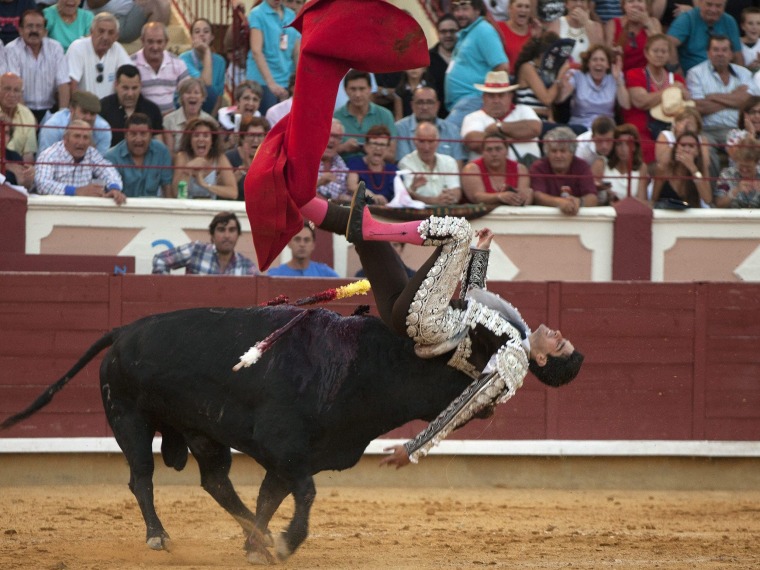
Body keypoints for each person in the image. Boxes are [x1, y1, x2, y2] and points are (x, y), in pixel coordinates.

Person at [242, 0, 583, 466]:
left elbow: (463, 405)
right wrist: (480, 260)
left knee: (457, 233)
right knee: (366, 232)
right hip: (419, 315)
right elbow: (472, 300)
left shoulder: (515, 364)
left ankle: (377, 221)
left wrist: (416, 447)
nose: (558, 333)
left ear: (545, 362)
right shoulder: (516, 335)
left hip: (428, 322)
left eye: (559, 344)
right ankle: (306, 203)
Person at [623, 34, 689, 164]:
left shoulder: (677, 79)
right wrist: (670, 90)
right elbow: (641, 102)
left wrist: (685, 94)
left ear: (669, 55)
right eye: (655, 51)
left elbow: (687, 105)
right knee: (647, 147)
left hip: (671, 129)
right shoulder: (635, 74)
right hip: (642, 129)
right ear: (646, 53)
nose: (659, 55)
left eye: (664, 51)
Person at [444, 0, 509, 130]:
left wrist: (491, 99)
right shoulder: (468, 33)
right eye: (456, 9)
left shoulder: (484, 30)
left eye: (465, 9)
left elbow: (502, 67)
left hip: (474, 100)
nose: (460, 14)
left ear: (477, 10)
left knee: (445, 135)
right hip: (462, 103)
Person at [687, 34, 758, 147]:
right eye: (715, 50)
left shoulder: (744, 73)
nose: (720, 54)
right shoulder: (695, 73)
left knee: (744, 149)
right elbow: (700, 107)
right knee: (706, 149)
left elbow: (746, 102)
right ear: (708, 53)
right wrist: (735, 97)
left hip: (737, 129)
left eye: (724, 50)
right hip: (707, 130)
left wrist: (711, 96)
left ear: (731, 54)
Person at [35, 119, 125, 205]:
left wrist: (114, 188)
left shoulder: (91, 153)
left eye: (85, 137)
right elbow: (42, 184)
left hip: (84, 210)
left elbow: (108, 171)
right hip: (55, 210)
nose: (81, 142)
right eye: (77, 136)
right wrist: (76, 191)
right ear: (65, 139)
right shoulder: (49, 155)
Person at [5, 8, 70, 125]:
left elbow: (63, 84)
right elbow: (14, 89)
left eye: (39, 26)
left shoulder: (55, 48)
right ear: (20, 30)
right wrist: (27, 117)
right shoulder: (12, 50)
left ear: (45, 31)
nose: (34, 30)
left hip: (50, 109)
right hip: (20, 109)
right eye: (29, 26)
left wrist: (62, 115)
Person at [461, 70, 542, 163]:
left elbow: (534, 128)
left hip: (527, 171)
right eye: (491, 96)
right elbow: (473, 142)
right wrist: (515, 136)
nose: (496, 100)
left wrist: (498, 127)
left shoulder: (524, 110)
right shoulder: (472, 117)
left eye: (501, 95)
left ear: (510, 97)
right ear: (483, 97)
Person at [152, 211, 258, 275]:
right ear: (212, 235)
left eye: (231, 230)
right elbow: (160, 260)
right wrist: (166, 291)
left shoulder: (247, 267)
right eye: (221, 230)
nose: (227, 235)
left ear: (238, 234)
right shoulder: (196, 251)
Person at [557, 44, 631, 132]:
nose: (598, 63)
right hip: (580, 127)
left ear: (608, 65)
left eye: (602, 60)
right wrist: (564, 89)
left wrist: (618, 80)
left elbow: (626, 105)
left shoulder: (615, 76)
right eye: (594, 59)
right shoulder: (577, 75)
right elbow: (559, 100)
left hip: (606, 129)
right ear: (588, 63)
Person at [246, 0, 301, 115]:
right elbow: (256, 51)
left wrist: (300, 80)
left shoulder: (291, 14)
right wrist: (271, 83)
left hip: (285, 79)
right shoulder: (257, 13)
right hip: (262, 81)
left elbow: (296, 52)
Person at [530, 126, 599, 214]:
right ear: (547, 153)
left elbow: (592, 197)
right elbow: (537, 196)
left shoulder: (582, 166)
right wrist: (560, 202)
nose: (558, 156)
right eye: (554, 151)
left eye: (563, 151)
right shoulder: (538, 167)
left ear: (572, 153)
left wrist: (579, 202)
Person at [334, 69, 398, 162]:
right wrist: (344, 148)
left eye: (362, 89)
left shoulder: (385, 115)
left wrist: (368, 148)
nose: (358, 94)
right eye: (353, 89)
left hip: (377, 171)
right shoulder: (336, 117)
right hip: (344, 171)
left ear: (370, 89)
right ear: (345, 90)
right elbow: (325, 153)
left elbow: (392, 155)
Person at [104, 112, 173, 198]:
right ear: (126, 135)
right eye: (133, 134)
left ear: (151, 134)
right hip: (122, 208)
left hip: (152, 208)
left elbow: (167, 189)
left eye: (143, 134)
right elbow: (109, 195)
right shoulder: (111, 157)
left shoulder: (162, 151)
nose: (138, 139)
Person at [66, 12, 131, 99]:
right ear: (91, 32)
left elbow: (130, 76)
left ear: (116, 36)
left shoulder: (117, 49)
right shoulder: (78, 47)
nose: (105, 37)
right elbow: (71, 83)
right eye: (101, 31)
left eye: (111, 33)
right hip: (84, 108)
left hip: (108, 109)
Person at [394, 85, 465, 165]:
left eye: (429, 102)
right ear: (412, 105)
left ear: (437, 105)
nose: (425, 107)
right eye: (420, 102)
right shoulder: (400, 128)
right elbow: (403, 164)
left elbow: (457, 166)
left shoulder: (452, 130)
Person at [667, 0, 743, 74]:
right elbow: (668, 44)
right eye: (709, 4)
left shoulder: (729, 21)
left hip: (722, 75)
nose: (713, 10)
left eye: (718, 6)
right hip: (692, 76)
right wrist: (678, 74)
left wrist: (740, 77)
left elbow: (737, 55)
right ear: (700, 2)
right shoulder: (687, 19)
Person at [131, 22, 190, 115]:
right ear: (142, 41)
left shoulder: (178, 64)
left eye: (159, 42)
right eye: (150, 41)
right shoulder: (131, 63)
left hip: (171, 121)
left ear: (166, 42)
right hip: (142, 122)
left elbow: (188, 94)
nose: (155, 47)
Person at [398, 122, 462, 206]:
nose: (426, 147)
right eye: (421, 141)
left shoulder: (449, 161)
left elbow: (456, 190)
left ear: (438, 142)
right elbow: (408, 194)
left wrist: (450, 197)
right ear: (414, 142)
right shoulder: (405, 163)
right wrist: (434, 201)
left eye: (431, 141)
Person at [172, 117, 237, 200]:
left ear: (212, 141)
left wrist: (205, 185)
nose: (201, 139)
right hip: (187, 209)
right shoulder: (182, 157)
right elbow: (175, 193)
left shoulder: (219, 158)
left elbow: (233, 192)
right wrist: (188, 169)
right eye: (196, 135)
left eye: (206, 136)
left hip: (211, 210)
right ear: (190, 141)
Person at [99, 63, 163, 146]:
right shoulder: (103, 107)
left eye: (134, 88)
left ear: (140, 86)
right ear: (116, 85)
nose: (130, 94)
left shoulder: (152, 110)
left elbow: (159, 144)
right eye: (125, 88)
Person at [460, 132, 533, 205]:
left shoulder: (520, 169)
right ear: (482, 152)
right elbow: (476, 197)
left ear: (507, 151)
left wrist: (525, 197)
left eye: (498, 149)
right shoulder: (471, 169)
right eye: (489, 150)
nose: (494, 154)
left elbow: (524, 197)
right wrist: (499, 197)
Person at [513, 32, 570, 123]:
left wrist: (562, 83)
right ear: (543, 53)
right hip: (527, 120)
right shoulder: (528, 68)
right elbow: (547, 99)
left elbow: (555, 101)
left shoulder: (547, 72)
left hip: (543, 121)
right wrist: (559, 77)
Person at [39, 90, 112, 156]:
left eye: (92, 114)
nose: (88, 117)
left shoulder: (104, 130)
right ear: (72, 109)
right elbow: (45, 161)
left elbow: (100, 163)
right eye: (84, 112)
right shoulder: (53, 127)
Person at [650, 130, 713, 207]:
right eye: (683, 145)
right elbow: (654, 199)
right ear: (676, 148)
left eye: (691, 146)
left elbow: (707, 199)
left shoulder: (700, 170)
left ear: (697, 152)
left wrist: (693, 169)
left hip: (691, 215)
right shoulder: (664, 168)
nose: (686, 150)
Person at [591, 123, 649, 202]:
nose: (623, 149)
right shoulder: (601, 164)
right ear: (614, 146)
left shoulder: (641, 168)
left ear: (635, 147)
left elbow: (642, 201)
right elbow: (592, 195)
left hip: (631, 212)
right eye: (619, 144)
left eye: (628, 144)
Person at [179, 17, 226, 114]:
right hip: (187, 109)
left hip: (209, 111)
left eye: (206, 31)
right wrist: (207, 51)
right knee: (208, 90)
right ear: (192, 36)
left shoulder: (220, 61)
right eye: (197, 32)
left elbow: (219, 96)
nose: (201, 34)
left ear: (212, 37)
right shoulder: (184, 59)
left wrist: (211, 119)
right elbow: (205, 85)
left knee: (213, 93)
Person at [604, 0, 663, 73]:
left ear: (646, 5)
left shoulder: (654, 23)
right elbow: (606, 55)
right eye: (631, 1)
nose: (636, 5)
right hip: (620, 75)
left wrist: (648, 24)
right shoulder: (613, 24)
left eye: (640, 1)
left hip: (646, 75)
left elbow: (662, 49)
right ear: (624, 5)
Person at [345, 124, 397, 205]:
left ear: (388, 149)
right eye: (374, 143)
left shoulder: (392, 169)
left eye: (382, 145)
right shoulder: (355, 162)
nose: (378, 148)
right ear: (366, 146)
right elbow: (351, 186)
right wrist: (372, 196)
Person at [267, 221, 339, 277]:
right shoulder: (275, 275)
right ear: (289, 243)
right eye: (297, 239)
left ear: (313, 245)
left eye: (306, 240)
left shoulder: (326, 274)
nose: (302, 244)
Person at [654, 106, 713, 175]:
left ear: (697, 126)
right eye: (682, 121)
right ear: (676, 123)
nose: (686, 126)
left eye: (690, 123)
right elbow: (661, 163)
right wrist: (679, 138)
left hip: (692, 177)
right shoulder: (666, 135)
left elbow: (705, 165)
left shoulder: (702, 140)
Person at [163, 77, 216, 152]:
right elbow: (169, 153)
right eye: (188, 92)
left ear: (203, 98)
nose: (192, 96)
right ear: (181, 97)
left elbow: (214, 152)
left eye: (196, 93)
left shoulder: (211, 122)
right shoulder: (169, 120)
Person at [84, 0, 171, 44]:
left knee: (161, 4)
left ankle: (152, 50)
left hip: (129, 19)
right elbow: (93, 3)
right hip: (103, 21)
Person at [546, 0, 604, 66]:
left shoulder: (596, 26)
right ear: (566, 4)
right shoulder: (556, 24)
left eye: (583, 1)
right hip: (563, 73)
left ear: (588, 5)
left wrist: (586, 23)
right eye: (574, 0)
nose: (579, 4)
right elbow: (549, 55)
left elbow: (600, 52)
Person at [226, 115, 269, 199]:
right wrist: (238, 175)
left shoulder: (271, 159)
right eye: (251, 135)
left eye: (260, 136)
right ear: (242, 138)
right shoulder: (229, 158)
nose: (255, 140)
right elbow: (221, 192)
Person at [714, 135, 760, 207]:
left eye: (748, 167)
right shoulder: (727, 174)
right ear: (736, 161)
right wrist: (736, 191)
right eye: (741, 166)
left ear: (756, 162)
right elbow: (719, 203)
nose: (744, 170)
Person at [497, 0, 539, 78]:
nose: (523, 10)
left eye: (527, 7)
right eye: (519, 6)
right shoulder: (498, 29)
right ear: (510, 8)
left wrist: (537, 37)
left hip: (527, 81)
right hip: (504, 79)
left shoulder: (535, 31)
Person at [0, 72, 36, 163]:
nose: (11, 94)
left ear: (21, 94)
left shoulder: (27, 114)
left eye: (16, 90)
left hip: (16, 166)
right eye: (7, 89)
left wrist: (25, 172)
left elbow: (28, 154)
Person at [427, 13, 458, 120]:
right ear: (437, 33)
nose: (448, 35)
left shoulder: (467, 56)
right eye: (443, 31)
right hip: (435, 119)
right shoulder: (427, 59)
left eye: (452, 31)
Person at [316, 119, 349, 202]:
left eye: (337, 137)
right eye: (329, 135)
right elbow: (296, 193)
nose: (332, 140)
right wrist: (319, 182)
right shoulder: (306, 160)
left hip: (331, 210)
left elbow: (342, 195)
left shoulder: (341, 164)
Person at [740, 7, 760, 74]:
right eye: (750, 23)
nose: (754, 27)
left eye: (758, 23)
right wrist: (748, 68)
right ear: (743, 26)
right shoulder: (736, 44)